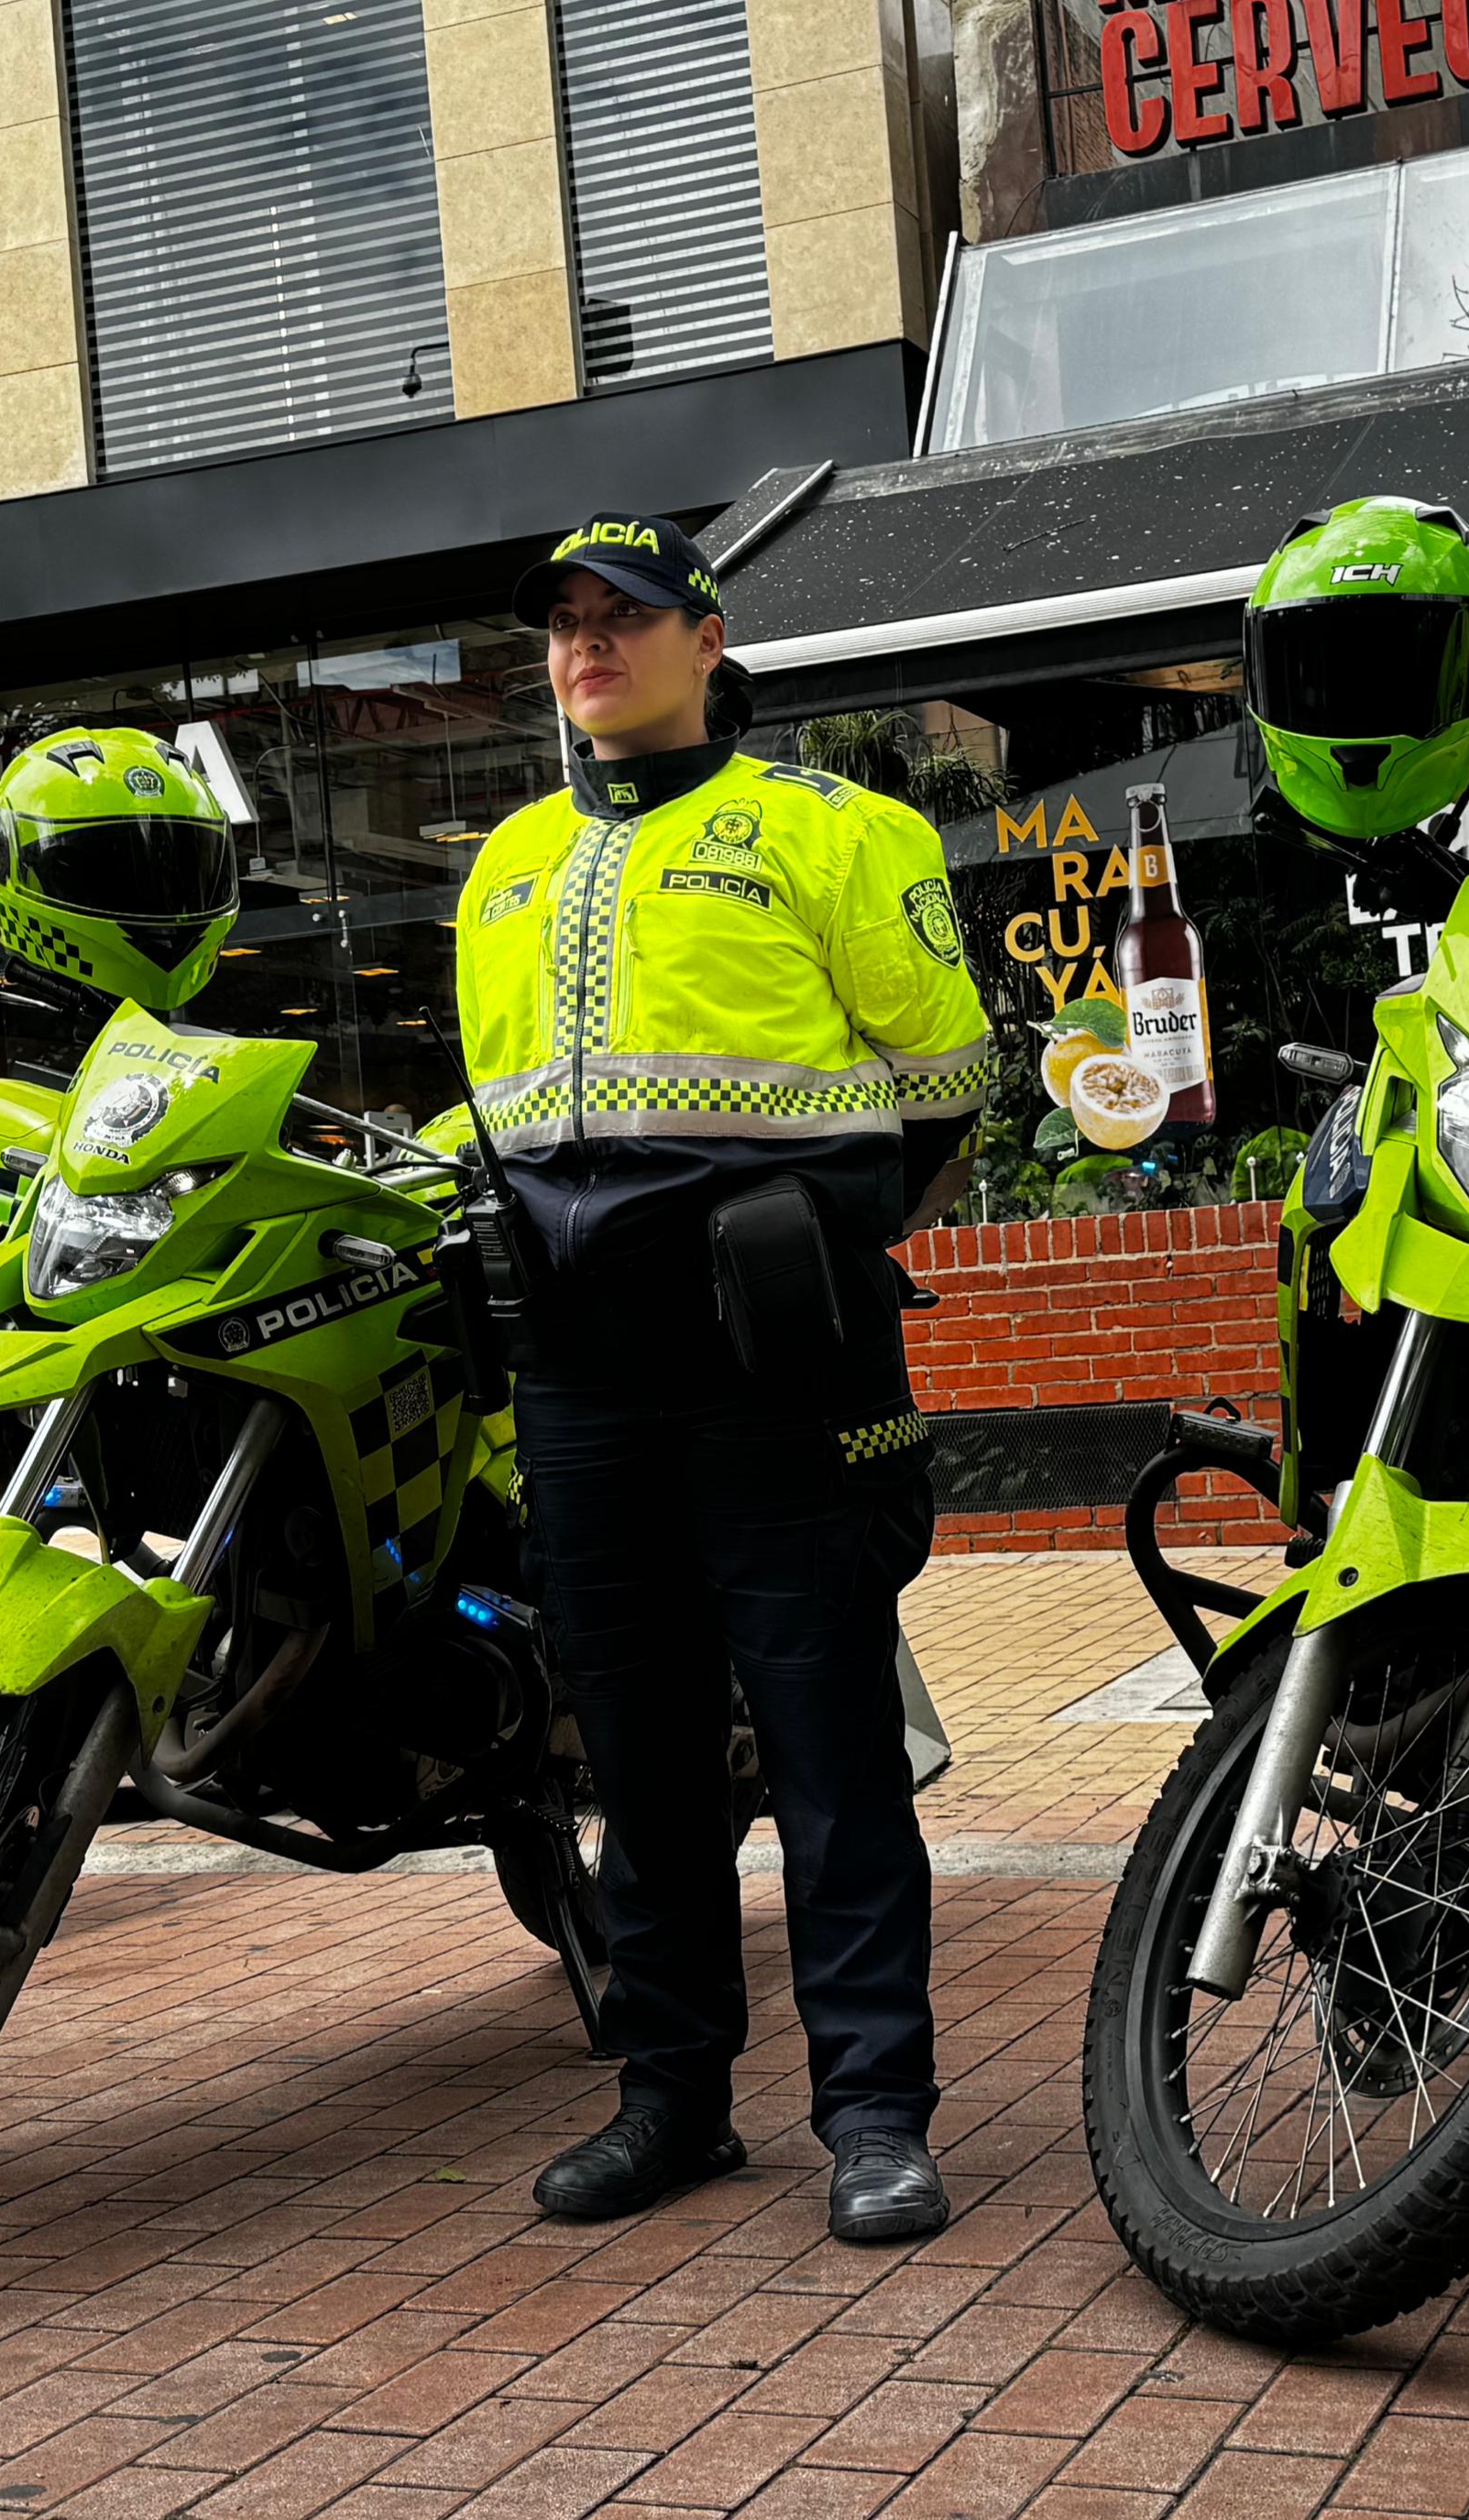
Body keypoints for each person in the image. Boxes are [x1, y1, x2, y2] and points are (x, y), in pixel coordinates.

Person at [455, 513, 995, 2242]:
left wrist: (816, 1249)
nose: (587, 644)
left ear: (706, 635)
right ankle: (672, 2100)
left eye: (623, 615)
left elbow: (946, 1075)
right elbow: (497, 1114)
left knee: (833, 1748)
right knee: (641, 1759)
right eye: (563, 623)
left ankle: (876, 2113)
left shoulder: (834, 828)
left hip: (775, 1360)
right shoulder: (507, 865)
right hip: (581, 1375)